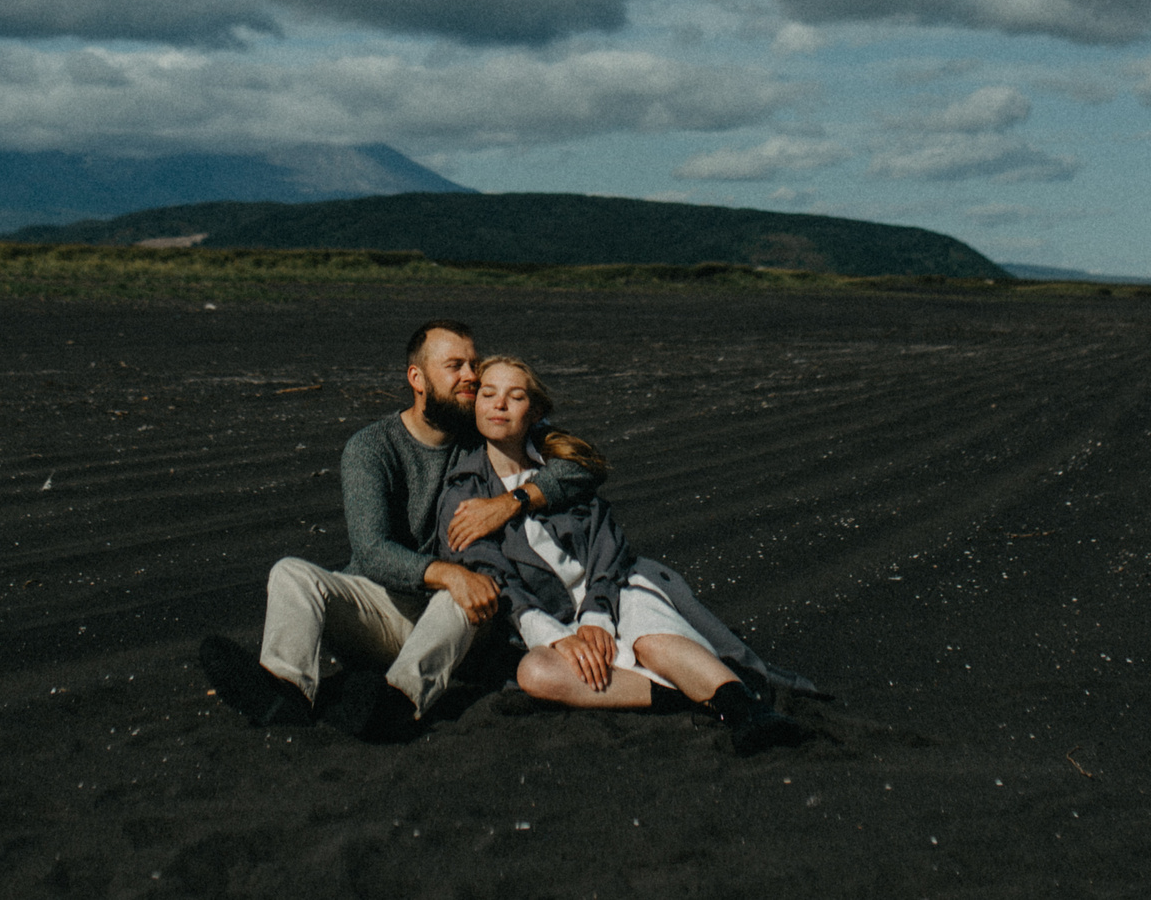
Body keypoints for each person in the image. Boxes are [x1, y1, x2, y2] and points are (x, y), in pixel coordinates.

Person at [198, 320, 604, 741]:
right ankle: (286, 691)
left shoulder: (484, 432)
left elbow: (583, 466)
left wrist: (509, 503)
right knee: (291, 573)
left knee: (467, 594)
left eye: (473, 364)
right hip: (382, 612)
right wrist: (447, 572)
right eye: (455, 366)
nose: (471, 377)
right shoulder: (372, 447)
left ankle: (398, 703)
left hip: (461, 626)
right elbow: (372, 552)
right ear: (417, 378)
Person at [434, 354, 812, 756]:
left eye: (515, 396)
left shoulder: (560, 474)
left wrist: (598, 615)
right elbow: (493, 577)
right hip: (548, 617)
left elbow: (608, 549)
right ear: (474, 403)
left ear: (536, 410)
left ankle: (745, 712)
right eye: (488, 394)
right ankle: (696, 693)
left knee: (650, 642)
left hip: (615, 589)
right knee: (536, 672)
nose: (499, 405)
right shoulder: (463, 491)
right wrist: (559, 639)